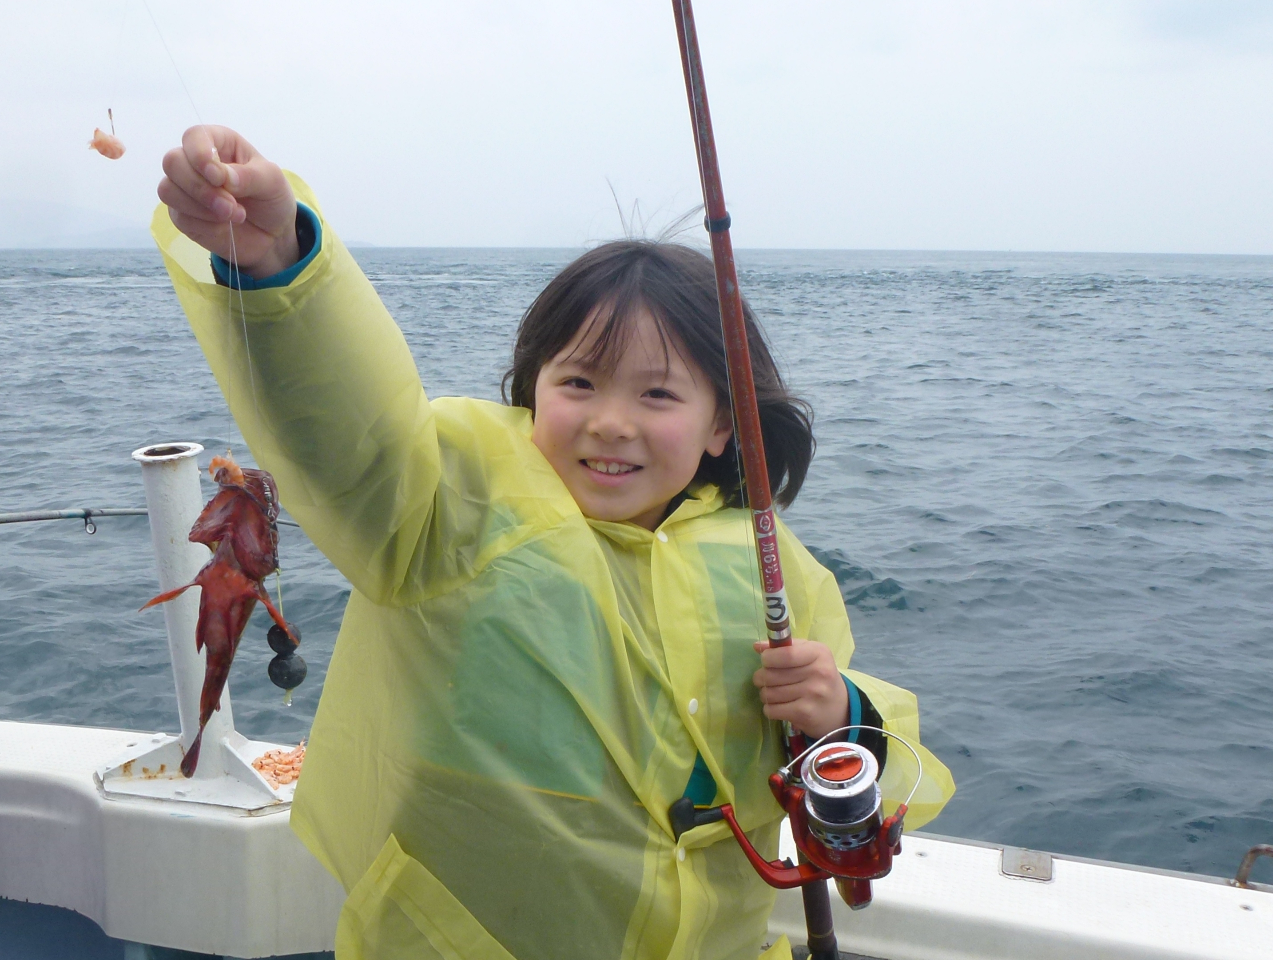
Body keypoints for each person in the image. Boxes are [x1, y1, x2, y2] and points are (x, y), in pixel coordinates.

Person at [155, 125, 954, 960]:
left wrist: (843, 719)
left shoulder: (775, 565)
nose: (611, 422)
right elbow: (346, 429)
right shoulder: (448, 499)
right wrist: (278, 261)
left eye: (658, 393)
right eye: (578, 382)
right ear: (532, 388)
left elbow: (870, 779)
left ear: (724, 422)